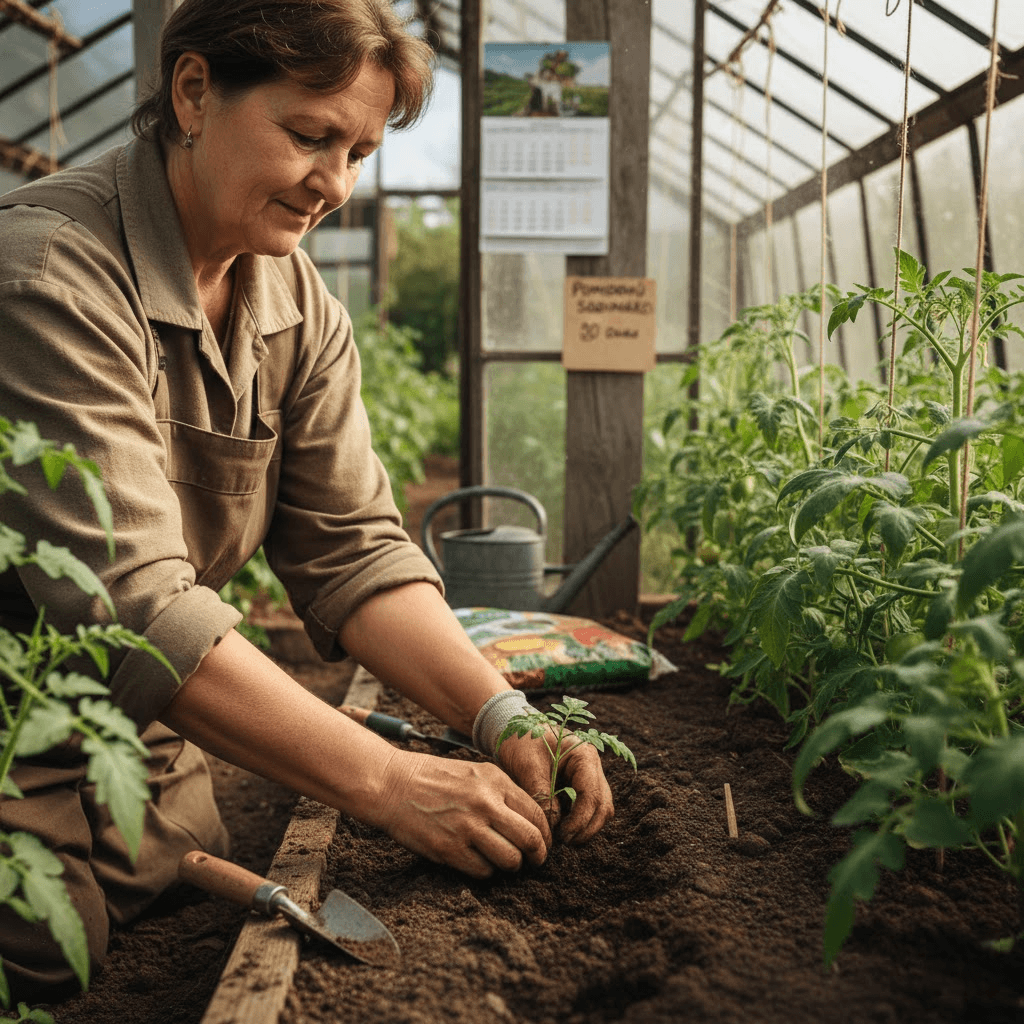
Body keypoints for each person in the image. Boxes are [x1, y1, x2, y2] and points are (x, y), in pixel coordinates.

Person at [0, 0, 614, 1000]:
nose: (335, 184)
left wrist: (501, 715)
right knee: (42, 959)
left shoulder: (293, 302)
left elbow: (355, 549)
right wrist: (392, 782)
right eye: (308, 135)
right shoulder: (48, 276)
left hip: (129, 723)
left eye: (360, 152)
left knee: (168, 900)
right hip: (15, 716)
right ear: (194, 93)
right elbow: (137, 609)